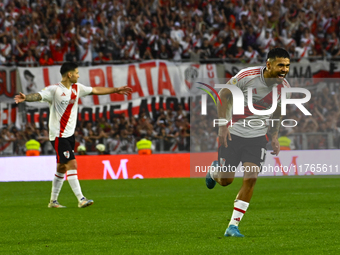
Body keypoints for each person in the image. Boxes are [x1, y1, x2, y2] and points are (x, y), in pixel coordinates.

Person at [14, 62, 132, 208]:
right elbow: (39, 95)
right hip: (58, 135)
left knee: (61, 168)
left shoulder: (77, 88)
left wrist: (115, 90)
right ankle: (81, 199)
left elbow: (95, 90)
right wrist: (26, 98)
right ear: (69, 75)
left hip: (69, 135)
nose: (78, 75)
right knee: (72, 164)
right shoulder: (54, 90)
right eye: (76, 72)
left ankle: (53, 201)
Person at [205, 48, 291, 237]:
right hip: (233, 134)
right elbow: (224, 95)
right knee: (226, 181)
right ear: (269, 64)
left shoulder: (284, 86)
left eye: (287, 66)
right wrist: (222, 126)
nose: (284, 70)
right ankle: (214, 171)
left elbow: (278, 111)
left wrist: (274, 136)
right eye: (280, 65)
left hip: (258, 138)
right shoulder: (247, 76)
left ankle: (232, 226)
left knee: (251, 179)